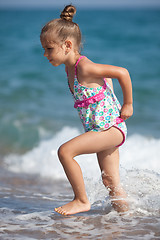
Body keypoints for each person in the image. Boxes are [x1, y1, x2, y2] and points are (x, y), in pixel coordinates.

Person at [40, 4, 133, 216]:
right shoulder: (69, 69)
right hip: (102, 128)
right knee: (110, 182)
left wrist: (127, 104)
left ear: (67, 45)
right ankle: (128, 222)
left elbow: (122, 72)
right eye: (44, 49)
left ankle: (81, 200)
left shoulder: (84, 67)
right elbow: (105, 81)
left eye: (49, 48)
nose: (45, 54)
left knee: (65, 151)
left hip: (109, 129)